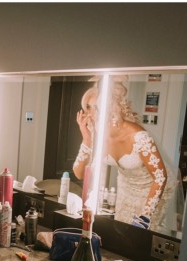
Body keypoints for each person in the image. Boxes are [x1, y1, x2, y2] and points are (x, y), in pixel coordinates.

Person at [72, 76, 179, 230]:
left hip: (153, 187)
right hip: (126, 186)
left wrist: (145, 217)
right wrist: (87, 139)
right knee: (122, 231)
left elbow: (160, 177)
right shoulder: (97, 133)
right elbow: (79, 173)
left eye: (95, 107)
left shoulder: (138, 136)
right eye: (87, 108)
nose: (89, 114)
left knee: (142, 234)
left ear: (109, 107)